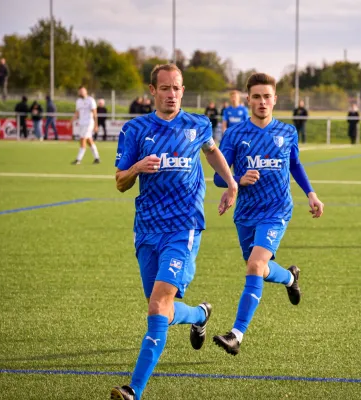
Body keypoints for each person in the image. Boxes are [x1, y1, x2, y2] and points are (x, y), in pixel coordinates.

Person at [110, 63, 238, 400]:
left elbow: (212, 152)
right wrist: (137, 167)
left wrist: (231, 184)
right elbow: (121, 182)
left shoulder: (197, 124)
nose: (171, 94)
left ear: (183, 90)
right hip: (147, 230)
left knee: (157, 306)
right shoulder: (135, 129)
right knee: (163, 311)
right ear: (152, 91)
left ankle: (133, 389)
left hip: (184, 227)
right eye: (164, 88)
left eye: (177, 88)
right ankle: (199, 315)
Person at [211, 72, 324, 356]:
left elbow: (295, 165)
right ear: (248, 100)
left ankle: (236, 334)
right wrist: (237, 179)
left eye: (267, 96)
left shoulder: (287, 132)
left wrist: (311, 193)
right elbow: (217, 178)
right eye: (257, 97)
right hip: (246, 212)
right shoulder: (235, 134)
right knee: (258, 267)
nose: (262, 102)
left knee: (254, 265)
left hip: (277, 210)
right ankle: (289, 277)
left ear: (275, 99)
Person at [71, 86, 100, 165]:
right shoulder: (78, 101)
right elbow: (77, 113)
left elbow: (95, 114)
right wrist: (71, 121)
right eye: (80, 91)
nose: (81, 92)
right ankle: (97, 158)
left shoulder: (91, 100)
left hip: (89, 123)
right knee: (89, 140)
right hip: (81, 123)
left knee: (82, 139)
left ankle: (78, 159)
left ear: (86, 91)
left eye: (82, 91)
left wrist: (96, 125)